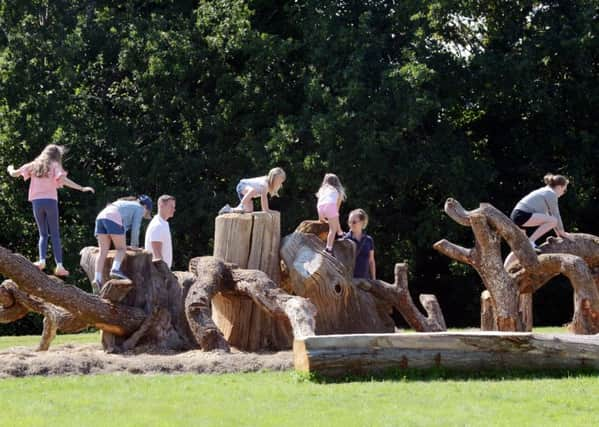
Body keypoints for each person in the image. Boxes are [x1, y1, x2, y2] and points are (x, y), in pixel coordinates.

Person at [6, 144, 94, 277]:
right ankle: (59, 265)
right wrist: (81, 188)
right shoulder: (54, 165)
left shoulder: (34, 165)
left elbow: (14, 173)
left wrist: (10, 168)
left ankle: (42, 261)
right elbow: (63, 180)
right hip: (50, 201)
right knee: (55, 234)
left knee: (43, 234)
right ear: (56, 155)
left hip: (37, 201)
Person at [504, 173, 572, 266]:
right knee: (553, 220)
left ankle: (505, 269)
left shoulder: (546, 191)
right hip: (522, 215)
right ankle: (531, 242)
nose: (564, 192)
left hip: (517, 215)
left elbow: (548, 216)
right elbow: (555, 215)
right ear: (560, 187)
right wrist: (562, 232)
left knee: (520, 248)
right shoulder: (551, 194)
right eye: (565, 190)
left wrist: (559, 233)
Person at [91, 195, 153, 293]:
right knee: (121, 249)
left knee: (103, 251)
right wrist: (134, 246)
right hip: (112, 217)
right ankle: (115, 269)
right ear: (145, 207)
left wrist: (125, 244)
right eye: (147, 212)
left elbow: (121, 230)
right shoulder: (139, 208)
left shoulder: (125, 205)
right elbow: (135, 229)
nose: (145, 214)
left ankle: (97, 279)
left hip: (101, 217)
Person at [218, 167, 286, 214]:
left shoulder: (268, 186)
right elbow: (264, 207)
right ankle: (240, 206)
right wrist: (268, 211)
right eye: (279, 181)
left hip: (247, 193)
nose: (280, 184)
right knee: (252, 190)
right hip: (242, 185)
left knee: (249, 211)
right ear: (273, 179)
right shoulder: (264, 184)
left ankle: (229, 210)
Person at [316, 173, 346, 255]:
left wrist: (321, 217)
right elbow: (337, 210)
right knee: (332, 230)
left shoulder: (323, 190)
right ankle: (328, 249)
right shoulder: (337, 190)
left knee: (332, 220)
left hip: (319, 208)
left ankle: (340, 233)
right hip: (330, 206)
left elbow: (319, 202)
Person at [145, 195, 176, 269]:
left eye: (174, 207)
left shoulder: (163, 223)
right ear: (161, 205)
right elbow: (157, 256)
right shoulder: (157, 225)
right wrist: (165, 275)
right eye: (171, 206)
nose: (174, 209)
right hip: (158, 273)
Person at [344, 209, 376, 279]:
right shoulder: (345, 240)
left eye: (354, 222)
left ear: (362, 222)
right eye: (349, 222)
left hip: (366, 281)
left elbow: (371, 261)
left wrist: (374, 280)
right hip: (350, 282)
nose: (351, 224)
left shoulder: (369, 240)